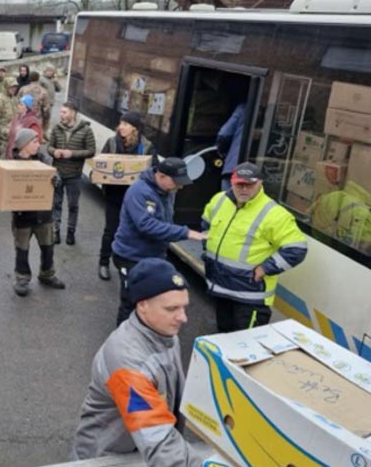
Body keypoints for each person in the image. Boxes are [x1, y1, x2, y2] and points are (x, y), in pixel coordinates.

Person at [71, 258, 204, 466]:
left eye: (184, 307)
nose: (183, 317)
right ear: (142, 306)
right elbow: (159, 441)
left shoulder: (165, 334)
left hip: (137, 450)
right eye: (171, 309)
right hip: (109, 457)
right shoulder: (127, 364)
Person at [202, 162, 307, 332]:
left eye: (249, 185)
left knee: (245, 345)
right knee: (223, 337)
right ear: (232, 182)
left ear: (260, 183)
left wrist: (266, 268)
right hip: (221, 288)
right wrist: (208, 248)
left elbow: (297, 249)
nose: (244, 189)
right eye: (239, 184)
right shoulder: (219, 199)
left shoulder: (275, 214)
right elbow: (206, 222)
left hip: (250, 297)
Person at [111, 158, 205, 325]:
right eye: (176, 182)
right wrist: (185, 232)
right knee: (131, 301)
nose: (180, 186)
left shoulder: (168, 191)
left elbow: (165, 219)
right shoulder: (139, 191)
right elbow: (147, 225)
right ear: (161, 176)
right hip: (131, 257)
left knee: (149, 298)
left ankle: (145, 332)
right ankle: (124, 341)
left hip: (154, 255)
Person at [98, 112, 157, 281]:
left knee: (134, 232)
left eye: (125, 124)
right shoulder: (111, 142)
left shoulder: (146, 147)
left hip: (136, 198)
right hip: (114, 196)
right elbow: (101, 165)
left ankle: (129, 264)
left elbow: (155, 170)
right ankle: (103, 262)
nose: (120, 127)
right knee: (111, 230)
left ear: (135, 128)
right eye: (120, 123)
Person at [10, 128, 65, 296]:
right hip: (22, 216)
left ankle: (47, 274)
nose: (38, 144)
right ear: (24, 145)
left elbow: (57, 178)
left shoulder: (44, 159)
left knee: (48, 247)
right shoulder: (11, 164)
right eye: (34, 142)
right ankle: (22, 278)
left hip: (44, 214)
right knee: (22, 250)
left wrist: (56, 180)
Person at [48, 101, 96, 246]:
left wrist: (72, 154)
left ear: (73, 113)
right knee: (56, 204)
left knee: (73, 205)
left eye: (64, 112)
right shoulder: (56, 128)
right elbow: (49, 147)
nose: (61, 115)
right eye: (61, 112)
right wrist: (53, 152)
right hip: (58, 172)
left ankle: (70, 232)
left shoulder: (86, 130)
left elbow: (91, 151)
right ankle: (55, 231)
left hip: (74, 175)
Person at [216, 103, 246, 191]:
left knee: (226, 201)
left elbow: (224, 134)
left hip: (232, 167)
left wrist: (224, 153)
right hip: (258, 173)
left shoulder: (243, 108)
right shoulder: (275, 112)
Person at [18, 71, 51, 137]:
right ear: (38, 79)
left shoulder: (23, 89)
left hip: (24, 120)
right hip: (37, 121)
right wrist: (45, 126)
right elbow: (46, 111)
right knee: (35, 141)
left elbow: (17, 104)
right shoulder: (43, 91)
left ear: (29, 78)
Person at [0, 77, 20, 154]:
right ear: (6, 87)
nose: (14, 89)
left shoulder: (14, 99)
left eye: (15, 87)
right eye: (11, 87)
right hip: (2, 137)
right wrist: (2, 132)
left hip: (13, 135)